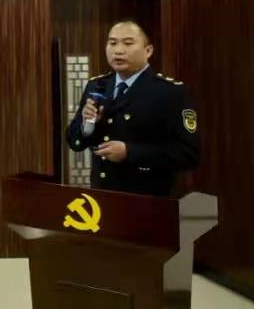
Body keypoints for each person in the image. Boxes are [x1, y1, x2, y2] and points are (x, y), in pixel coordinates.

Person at [66, 20, 200, 196]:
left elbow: (188, 155)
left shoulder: (170, 92)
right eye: (112, 43)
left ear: (148, 51)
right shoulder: (97, 86)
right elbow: (74, 142)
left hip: (147, 198)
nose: (118, 50)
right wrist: (87, 125)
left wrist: (129, 152)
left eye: (128, 43)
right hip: (101, 196)